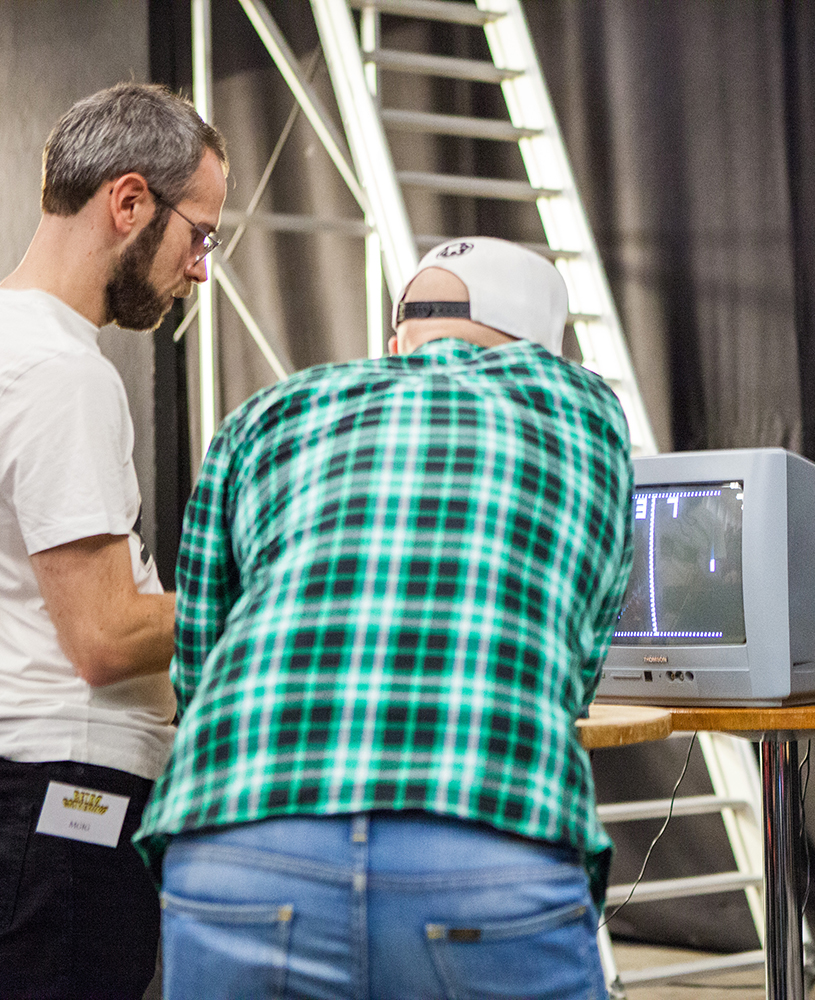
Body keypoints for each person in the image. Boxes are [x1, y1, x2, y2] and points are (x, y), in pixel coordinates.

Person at [136, 236, 635, 1000]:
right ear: (544, 348)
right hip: (484, 829)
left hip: (240, 833)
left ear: (398, 341)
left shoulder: (266, 414)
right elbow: (578, 664)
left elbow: (199, 662)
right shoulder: (586, 412)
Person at [0, 82, 227, 1000]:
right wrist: (277, 597)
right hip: (63, 790)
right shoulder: (55, 369)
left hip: (10, 788)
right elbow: (101, 637)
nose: (200, 267)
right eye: (199, 234)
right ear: (129, 202)